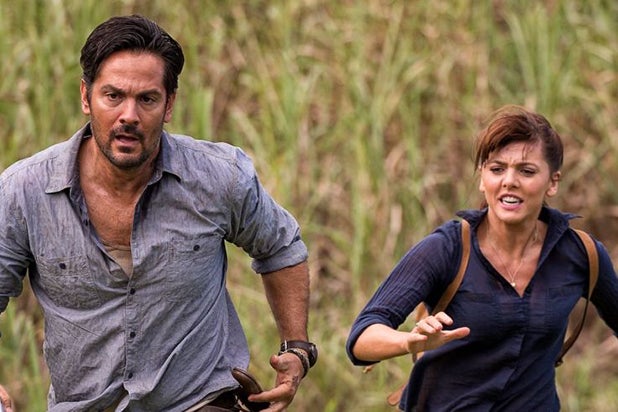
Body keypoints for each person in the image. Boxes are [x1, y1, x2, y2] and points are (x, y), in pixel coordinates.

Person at [0, 15, 317, 412]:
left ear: (169, 104)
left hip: (200, 401)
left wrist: (296, 348)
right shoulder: (24, 191)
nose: (129, 115)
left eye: (147, 99)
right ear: (85, 96)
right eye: (113, 96)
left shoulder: (219, 177)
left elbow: (280, 247)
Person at [346, 105, 618, 411]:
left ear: (552, 182)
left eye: (526, 171)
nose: (509, 181)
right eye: (496, 169)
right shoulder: (446, 249)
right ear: (482, 179)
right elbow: (361, 338)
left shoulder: (581, 254)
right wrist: (410, 341)